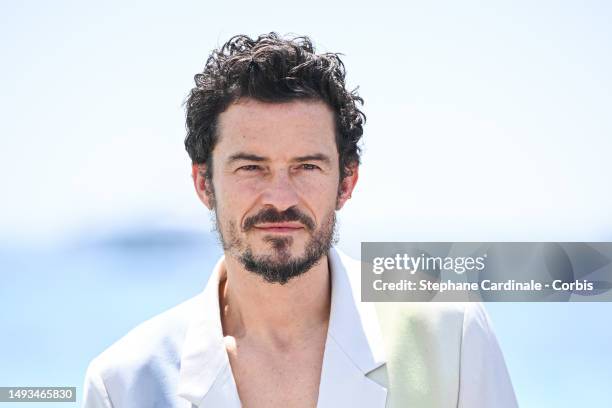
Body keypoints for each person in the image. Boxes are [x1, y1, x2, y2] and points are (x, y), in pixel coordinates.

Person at [82, 32, 518, 407]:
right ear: (204, 183)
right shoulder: (124, 385)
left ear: (346, 182)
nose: (280, 198)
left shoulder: (450, 333)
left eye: (307, 167)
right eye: (250, 167)